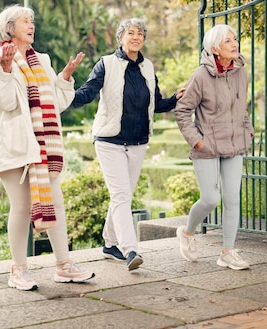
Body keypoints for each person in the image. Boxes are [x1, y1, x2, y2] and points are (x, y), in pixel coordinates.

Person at [0, 4, 95, 290]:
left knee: (55, 202)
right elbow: (6, 103)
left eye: (32, 21)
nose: (31, 25)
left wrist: (65, 77)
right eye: (24, 21)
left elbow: (56, 103)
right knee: (20, 206)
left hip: (42, 147)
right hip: (13, 144)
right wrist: (7, 70)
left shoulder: (41, 59)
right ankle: (18, 270)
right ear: (9, 28)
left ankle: (63, 265)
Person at [70, 18, 185, 271]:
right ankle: (130, 249)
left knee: (122, 195)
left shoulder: (148, 67)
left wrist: (175, 99)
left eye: (140, 33)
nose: (136, 37)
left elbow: (156, 104)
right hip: (110, 141)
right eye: (130, 33)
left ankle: (110, 245)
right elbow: (88, 93)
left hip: (138, 142)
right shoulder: (106, 64)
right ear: (121, 38)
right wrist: (65, 95)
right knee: (121, 195)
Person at [174, 24, 254, 270]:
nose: (234, 44)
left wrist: (247, 130)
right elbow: (182, 111)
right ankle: (187, 233)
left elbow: (242, 108)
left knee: (232, 199)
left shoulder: (241, 73)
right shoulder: (200, 76)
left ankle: (227, 252)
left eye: (235, 39)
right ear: (214, 49)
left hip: (235, 145)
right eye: (228, 41)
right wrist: (197, 140)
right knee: (210, 198)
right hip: (207, 146)